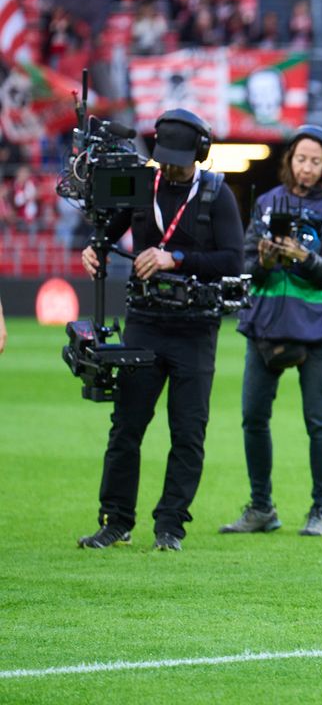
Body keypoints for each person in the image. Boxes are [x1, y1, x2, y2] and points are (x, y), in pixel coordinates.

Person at [77, 109, 243, 552]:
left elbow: (233, 260)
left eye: (179, 160)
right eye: (165, 158)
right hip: (145, 324)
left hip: (196, 330)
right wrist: (93, 252)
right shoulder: (140, 184)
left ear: (200, 154)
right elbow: (105, 235)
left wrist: (177, 259)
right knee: (126, 427)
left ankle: (170, 526)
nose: (170, 168)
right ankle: (116, 521)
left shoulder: (217, 195)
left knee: (188, 433)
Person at [220, 125, 322, 538]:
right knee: (253, 417)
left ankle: (320, 510)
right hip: (263, 323)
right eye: (301, 159)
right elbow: (243, 267)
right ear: (289, 161)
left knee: (319, 420)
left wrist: (302, 257)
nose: (307, 168)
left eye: (315, 161)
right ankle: (261, 508)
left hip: (317, 327)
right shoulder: (265, 203)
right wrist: (263, 258)